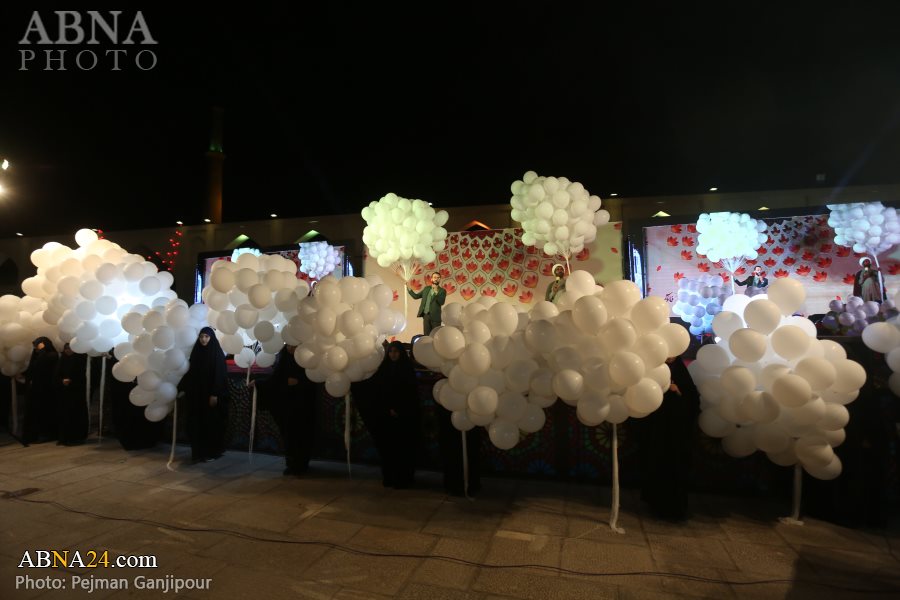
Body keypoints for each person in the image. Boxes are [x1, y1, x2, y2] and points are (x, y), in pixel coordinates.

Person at [634, 354, 700, 520]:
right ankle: (655, 504)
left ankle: (675, 508)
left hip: (677, 436)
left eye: (674, 354)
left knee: (676, 469)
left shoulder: (681, 373)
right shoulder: (655, 371)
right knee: (657, 465)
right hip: (657, 434)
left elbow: (693, 402)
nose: (671, 357)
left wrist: (677, 391)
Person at [250, 344, 316, 475]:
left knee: (302, 434)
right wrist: (258, 383)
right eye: (288, 345)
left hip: (303, 406)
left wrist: (299, 381)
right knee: (288, 435)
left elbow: (313, 380)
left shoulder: (306, 358)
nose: (290, 348)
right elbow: (275, 380)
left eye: (294, 346)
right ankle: (291, 464)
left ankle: (301, 465)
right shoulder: (284, 357)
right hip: (286, 406)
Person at [371, 341, 421, 488]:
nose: (393, 354)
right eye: (391, 352)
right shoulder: (384, 369)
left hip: (404, 416)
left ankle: (403, 478)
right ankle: (390, 477)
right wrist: (387, 407)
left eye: (396, 352)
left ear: (401, 353)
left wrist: (398, 408)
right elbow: (379, 390)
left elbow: (409, 392)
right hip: (386, 415)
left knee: (403, 448)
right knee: (388, 448)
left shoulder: (407, 369)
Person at [182, 327, 228, 463]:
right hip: (197, 396)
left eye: (206, 337)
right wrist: (181, 388)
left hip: (210, 396)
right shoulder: (196, 352)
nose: (203, 339)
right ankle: (198, 453)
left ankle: (212, 452)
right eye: (201, 336)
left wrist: (215, 393)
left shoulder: (216, 354)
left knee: (211, 424)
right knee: (196, 425)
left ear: (211, 338)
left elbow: (219, 375)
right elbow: (190, 373)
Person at [20, 337, 59, 444]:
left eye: (37, 346)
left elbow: (42, 364)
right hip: (35, 391)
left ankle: (46, 434)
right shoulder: (39, 355)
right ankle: (33, 435)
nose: (36, 349)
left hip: (47, 391)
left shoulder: (52, 355)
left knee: (45, 413)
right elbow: (33, 368)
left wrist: (42, 351)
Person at [55, 343, 88, 445]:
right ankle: (64, 437)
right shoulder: (62, 360)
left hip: (76, 393)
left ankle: (75, 437)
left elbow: (81, 376)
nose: (68, 350)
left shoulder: (79, 359)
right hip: (64, 393)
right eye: (66, 349)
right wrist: (62, 381)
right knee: (64, 415)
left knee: (75, 415)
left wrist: (72, 381)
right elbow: (56, 374)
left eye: (70, 348)